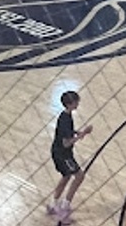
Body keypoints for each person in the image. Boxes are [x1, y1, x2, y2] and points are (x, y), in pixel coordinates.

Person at [48, 90, 93, 223]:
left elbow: (66, 133)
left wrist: (78, 132)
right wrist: (82, 134)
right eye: (76, 101)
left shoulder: (64, 116)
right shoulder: (66, 119)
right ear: (70, 104)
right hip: (63, 154)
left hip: (58, 152)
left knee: (66, 176)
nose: (78, 103)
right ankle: (64, 208)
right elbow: (66, 143)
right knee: (79, 176)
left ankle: (53, 204)